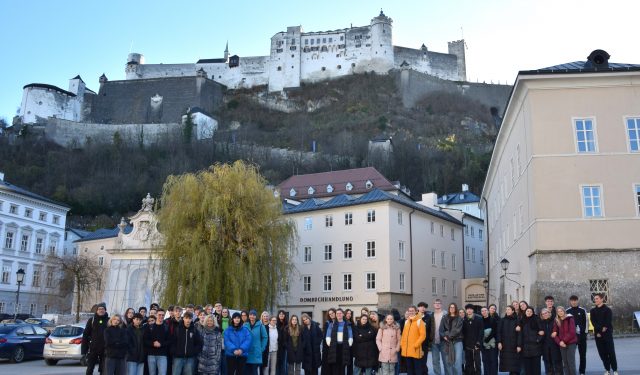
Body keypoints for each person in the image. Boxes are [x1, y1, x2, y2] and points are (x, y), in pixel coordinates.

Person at [590, 294, 618, 375]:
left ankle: (615, 370)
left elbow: (607, 322)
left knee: (611, 352)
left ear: (602, 299)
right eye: (595, 299)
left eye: (597, 298)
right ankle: (607, 369)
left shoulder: (607, 310)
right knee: (602, 353)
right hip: (598, 335)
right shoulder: (592, 311)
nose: (595, 300)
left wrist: (602, 330)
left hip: (607, 334)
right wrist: (598, 332)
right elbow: (593, 322)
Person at [83, 302, 109, 375]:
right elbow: (85, 335)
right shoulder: (92, 320)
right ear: (97, 310)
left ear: (105, 310)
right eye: (99, 309)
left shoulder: (109, 320)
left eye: (103, 309)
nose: (101, 310)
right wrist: (84, 350)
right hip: (93, 349)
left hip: (105, 349)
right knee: (90, 368)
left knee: (103, 369)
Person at [325, 308, 354, 375]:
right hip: (334, 347)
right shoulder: (332, 324)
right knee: (335, 366)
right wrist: (328, 341)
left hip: (344, 347)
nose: (339, 315)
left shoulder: (347, 324)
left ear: (343, 314)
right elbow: (328, 334)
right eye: (337, 313)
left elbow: (350, 334)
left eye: (340, 313)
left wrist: (350, 342)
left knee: (342, 366)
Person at [401, 305, 427, 375]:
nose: (411, 312)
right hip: (407, 350)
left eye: (412, 311)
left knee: (417, 369)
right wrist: (402, 345)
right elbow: (403, 335)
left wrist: (416, 345)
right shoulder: (406, 322)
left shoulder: (419, 321)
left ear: (416, 311)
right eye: (409, 311)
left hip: (415, 349)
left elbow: (423, 335)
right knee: (409, 368)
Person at [566, 295, 588, 375]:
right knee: (571, 356)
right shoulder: (567, 311)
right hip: (571, 338)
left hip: (582, 337)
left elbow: (586, 322)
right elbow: (565, 324)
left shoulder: (582, 310)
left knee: (582, 355)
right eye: (572, 300)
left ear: (577, 301)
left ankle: (582, 371)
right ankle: (572, 371)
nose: (574, 302)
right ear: (570, 301)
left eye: (575, 300)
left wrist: (585, 334)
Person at [552, 306, 577, 375]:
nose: (560, 313)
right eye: (558, 311)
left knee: (571, 362)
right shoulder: (556, 321)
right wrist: (559, 342)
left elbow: (572, 332)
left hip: (571, 343)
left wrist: (563, 341)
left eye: (561, 311)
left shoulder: (569, 319)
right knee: (565, 363)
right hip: (561, 344)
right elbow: (554, 334)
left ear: (564, 311)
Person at [519, 307, 543, 375]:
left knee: (536, 368)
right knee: (527, 368)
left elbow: (541, 331)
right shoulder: (522, 320)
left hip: (535, 347)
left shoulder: (537, 319)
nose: (529, 313)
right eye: (527, 311)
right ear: (525, 312)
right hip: (525, 348)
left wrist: (538, 340)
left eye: (530, 311)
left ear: (532, 313)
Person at [440, 303, 463, 375]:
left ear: (455, 308)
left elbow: (457, 330)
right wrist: (444, 336)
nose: (452, 308)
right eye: (450, 307)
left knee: (457, 362)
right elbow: (441, 330)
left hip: (457, 341)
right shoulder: (444, 317)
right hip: (447, 342)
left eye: (453, 307)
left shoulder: (459, 318)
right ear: (449, 308)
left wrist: (448, 336)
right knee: (448, 361)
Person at [497, 306, 520, 375]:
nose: (507, 311)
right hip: (505, 344)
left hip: (514, 344)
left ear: (513, 311)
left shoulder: (517, 320)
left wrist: (519, 345)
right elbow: (498, 332)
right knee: (507, 363)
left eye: (509, 309)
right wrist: (499, 342)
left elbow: (519, 334)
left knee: (515, 363)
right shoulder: (502, 320)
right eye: (506, 309)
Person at [145, 310, 169, 375]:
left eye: (163, 315)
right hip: (151, 354)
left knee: (162, 373)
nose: (161, 316)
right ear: (156, 315)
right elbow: (145, 340)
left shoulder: (166, 327)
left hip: (162, 355)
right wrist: (153, 343)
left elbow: (169, 340)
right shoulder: (149, 327)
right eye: (159, 315)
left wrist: (161, 344)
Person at [539, 308, 562, 375]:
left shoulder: (555, 321)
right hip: (545, 346)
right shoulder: (541, 323)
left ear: (549, 313)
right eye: (543, 314)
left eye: (546, 313)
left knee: (557, 364)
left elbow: (560, 330)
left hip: (555, 345)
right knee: (548, 364)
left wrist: (556, 332)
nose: (545, 315)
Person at [245, 310, 268, 375]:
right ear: (248, 316)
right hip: (247, 352)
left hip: (256, 352)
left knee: (254, 372)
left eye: (253, 315)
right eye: (250, 314)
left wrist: (262, 348)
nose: (252, 316)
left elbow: (265, 337)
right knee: (247, 372)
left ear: (256, 316)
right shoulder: (245, 325)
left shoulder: (260, 326)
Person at [461, 304, 482, 375]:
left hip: (476, 345)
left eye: (470, 309)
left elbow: (481, 332)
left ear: (473, 310)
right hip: (467, 345)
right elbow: (463, 333)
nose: (469, 310)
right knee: (468, 362)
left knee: (477, 362)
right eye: (467, 309)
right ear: (466, 310)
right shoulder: (464, 319)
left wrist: (478, 343)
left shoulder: (479, 318)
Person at [429, 299, 446, 375]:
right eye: (436, 303)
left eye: (439, 303)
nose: (437, 304)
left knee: (446, 361)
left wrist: (446, 336)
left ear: (441, 304)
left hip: (444, 341)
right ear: (434, 304)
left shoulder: (445, 314)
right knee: (435, 361)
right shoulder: (431, 315)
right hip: (434, 342)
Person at [480, 307, 498, 375]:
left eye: (485, 310)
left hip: (492, 343)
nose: (484, 312)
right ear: (481, 312)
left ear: (488, 311)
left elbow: (494, 330)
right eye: (482, 311)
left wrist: (487, 339)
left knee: (493, 360)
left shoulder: (493, 319)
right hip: (483, 344)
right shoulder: (480, 320)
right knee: (485, 361)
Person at [416, 302, 431, 375]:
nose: (423, 308)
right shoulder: (414, 316)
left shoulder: (428, 317)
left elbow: (430, 329)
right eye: (421, 306)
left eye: (424, 307)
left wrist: (430, 341)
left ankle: (424, 373)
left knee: (424, 359)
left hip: (424, 342)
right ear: (418, 308)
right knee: (416, 359)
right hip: (415, 342)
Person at [321, 309, 336, 375]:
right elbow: (324, 336)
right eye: (330, 314)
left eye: (333, 313)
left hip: (336, 347)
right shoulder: (327, 323)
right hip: (328, 347)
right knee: (327, 366)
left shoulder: (339, 322)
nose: (332, 314)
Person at [276, 310, 289, 375]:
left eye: (283, 314)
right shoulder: (275, 324)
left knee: (284, 364)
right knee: (277, 363)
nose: (281, 315)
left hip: (284, 347)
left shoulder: (287, 325)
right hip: (276, 346)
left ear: (285, 315)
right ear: (278, 315)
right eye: (280, 314)